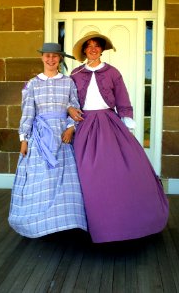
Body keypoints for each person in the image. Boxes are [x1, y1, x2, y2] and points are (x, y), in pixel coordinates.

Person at [68, 31, 169, 243]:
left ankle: (124, 221)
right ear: (84, 50)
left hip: (109, 123)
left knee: (120, 169)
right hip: (84, 125)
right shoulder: (75, 74)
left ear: (102, 50)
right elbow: (67, 100)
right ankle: (85, 224)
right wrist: (69, 110)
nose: (93, 49)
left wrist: (127, 124)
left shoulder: (113, 72)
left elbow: (123, 101)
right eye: (89, 46)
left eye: (97, 45)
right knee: (84, 172)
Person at [8, 43, 87, 238]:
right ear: (42, 58)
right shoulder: (33, 83)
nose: (51, 59)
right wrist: (23, 139)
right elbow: (28, 112)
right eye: (47, 56)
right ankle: (40, 222)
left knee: (64, 177)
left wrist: (70, 128)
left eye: (55, 56)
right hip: (40, 136)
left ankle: (64, 222)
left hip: (62, 135)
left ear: (60, 58)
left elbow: (75, 106)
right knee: (42, 177)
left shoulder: (68, 82)